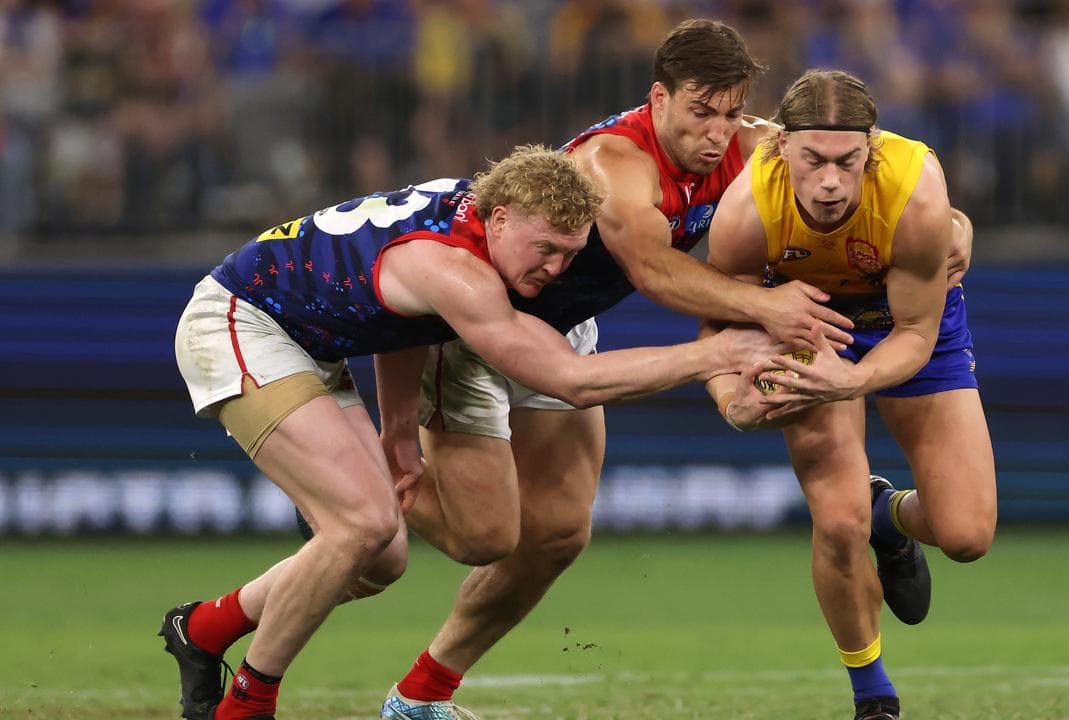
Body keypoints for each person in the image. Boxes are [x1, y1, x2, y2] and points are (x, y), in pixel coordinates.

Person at [376, 21, 974, 720]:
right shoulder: (613, 163)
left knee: (561, 533)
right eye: (699, 111)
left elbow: (871, 170)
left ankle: (422, 695)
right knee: (486, 537)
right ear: (659, 99)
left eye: (729, 112)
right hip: (476, 318)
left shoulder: (756, 144)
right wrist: (764, 310)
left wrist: (951, 224)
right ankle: (372, 492)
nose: (716, 133)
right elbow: (656, 272)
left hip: (561, 329)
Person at [157, 144, 770, 720]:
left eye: (569, 254)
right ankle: (248, 705)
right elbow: (570, 381)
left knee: (381, 559)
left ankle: (204, 629)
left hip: (312, 343)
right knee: (365, 526)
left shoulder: (470, 217)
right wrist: (712, 356)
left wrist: (398, 432)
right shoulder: (457, 270)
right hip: (241, 322)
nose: (556, 269)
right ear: (499, 219)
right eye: (546, 248)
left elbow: (397, 317)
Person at [702, 70, 998, 720]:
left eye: (847, 161)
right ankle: (874, 698)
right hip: (806, 322)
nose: (830, 181)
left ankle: (889, 515)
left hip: (908, 325)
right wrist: (731, 399)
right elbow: (720, 317)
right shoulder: (748, 208)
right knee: (838, 524)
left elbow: (917, 335)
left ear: (873, 148)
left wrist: (853, 380)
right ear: (783, 148)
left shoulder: (916, 193)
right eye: (813, 160)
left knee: (968, 534)